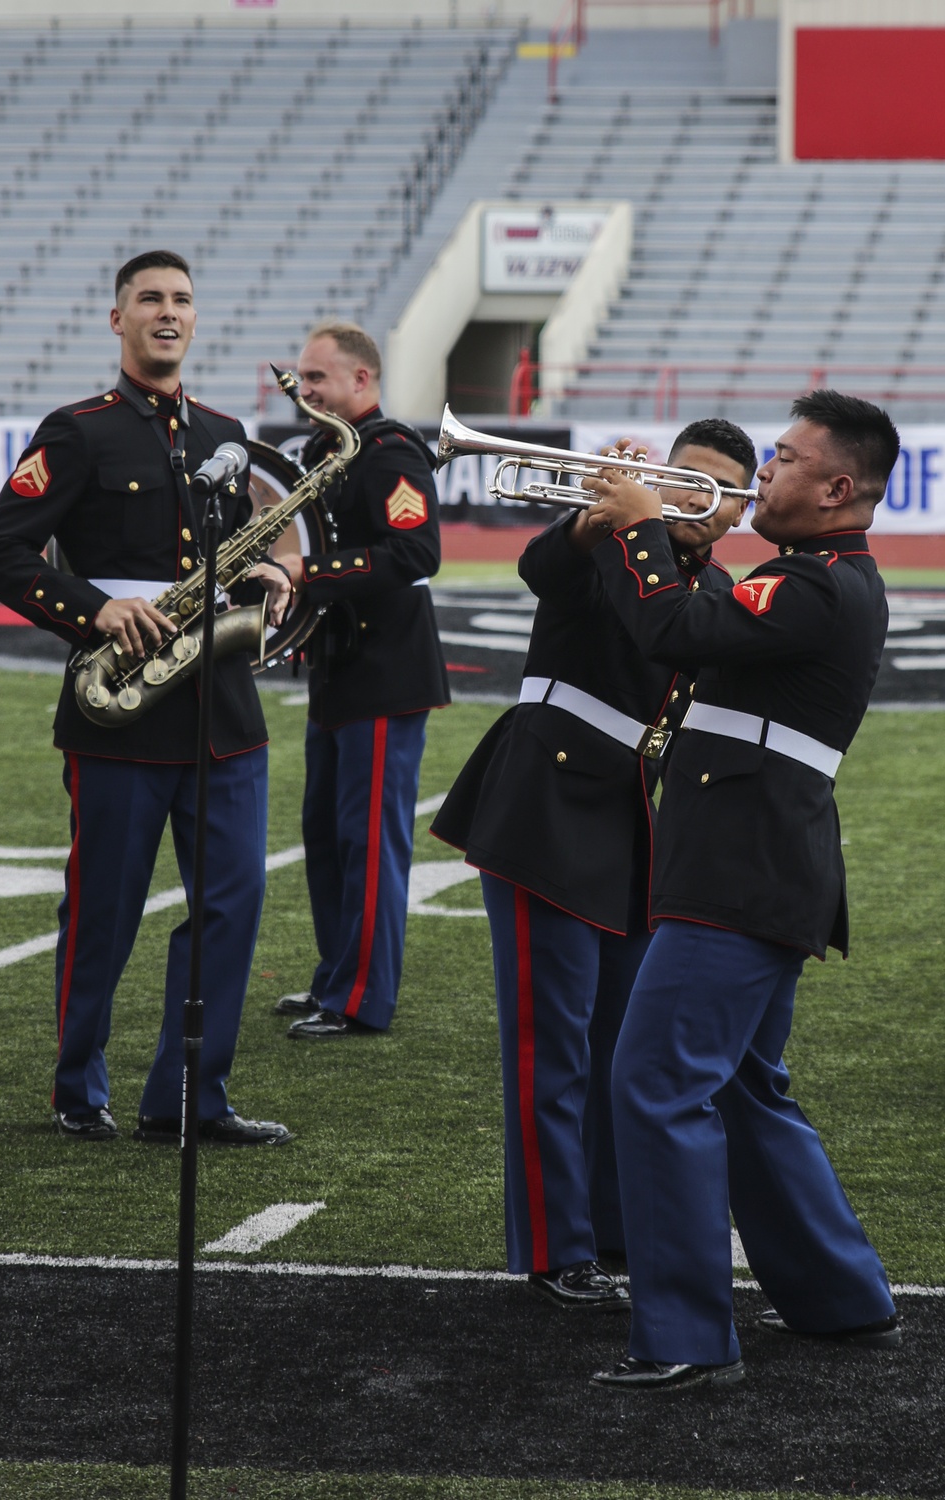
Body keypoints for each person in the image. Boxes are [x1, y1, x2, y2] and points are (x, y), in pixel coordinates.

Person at [577, 390, 901, 1392]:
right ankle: (838, 1296)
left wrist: (638, 527)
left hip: (738, 872)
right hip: (758, 866)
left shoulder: (813, 585)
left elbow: (672, 628)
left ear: (836, 487)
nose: (763, 471)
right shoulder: (809, 578)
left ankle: (683, 1335)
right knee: (744, 1088)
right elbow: (684, 625)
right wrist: (625, 534)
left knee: (656, 1083)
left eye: (783, 459)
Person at [0, 249, 294, 1145]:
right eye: (149, 298)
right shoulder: (77, 430)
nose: (167, 311)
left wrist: (263, 569)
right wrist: (94, 609)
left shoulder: (224, 430)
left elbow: (222, 547)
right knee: (104, 909)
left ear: (196, 319)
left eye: (182, 300)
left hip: (222, 714)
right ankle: (79, 1086)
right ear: (118, 320)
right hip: (119, 710)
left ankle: (190, 1098)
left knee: (231, 907)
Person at [431, 419, 757, 1309]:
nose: (697, 497)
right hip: (546, 804)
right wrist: (599, 515)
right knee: (551, 1047)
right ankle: (552, 1248)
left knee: (622, 1046)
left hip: (626, 819)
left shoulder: (716, 585)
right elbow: (544, 571)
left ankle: (615, 1230)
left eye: (718, 490)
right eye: (685, 477)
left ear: (737, 515)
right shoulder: (609, 537)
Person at [270, 322, 450, 1039]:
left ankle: (362, 998)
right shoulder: (321, 450)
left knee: (369, 840)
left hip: (386, 671)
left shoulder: (390, 452)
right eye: (303, 379)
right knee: (327, 834)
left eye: (317, 380)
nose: (303, 392)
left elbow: (416, 550)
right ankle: (333, 977)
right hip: (339, 666)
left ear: (361, 381)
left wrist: (308, 574)